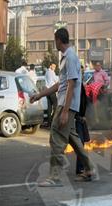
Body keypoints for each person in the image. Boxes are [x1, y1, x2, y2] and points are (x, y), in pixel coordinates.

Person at [30, 28, 94, 187]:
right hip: (64, 103)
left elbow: (72, 83)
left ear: (59, 40)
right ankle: (89, 169)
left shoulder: (71, 57)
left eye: (55, 40)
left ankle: (55, 177)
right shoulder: (66, 58)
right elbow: (62, 84)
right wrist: (40, 94)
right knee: (73, 138)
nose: (55, 43)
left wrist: (65, 111)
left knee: (57, 138)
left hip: (66, 105)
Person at [75, 65, 90, 175]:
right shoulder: (76, 86)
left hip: (80, 118)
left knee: (81, 143)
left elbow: (84, 102)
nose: (82, 74)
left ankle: (80, 168)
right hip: (76, 119)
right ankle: (81, 168)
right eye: (80, 72)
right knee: (80, 144)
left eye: (83, 72)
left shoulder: (80, 85)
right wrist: (78, 116)